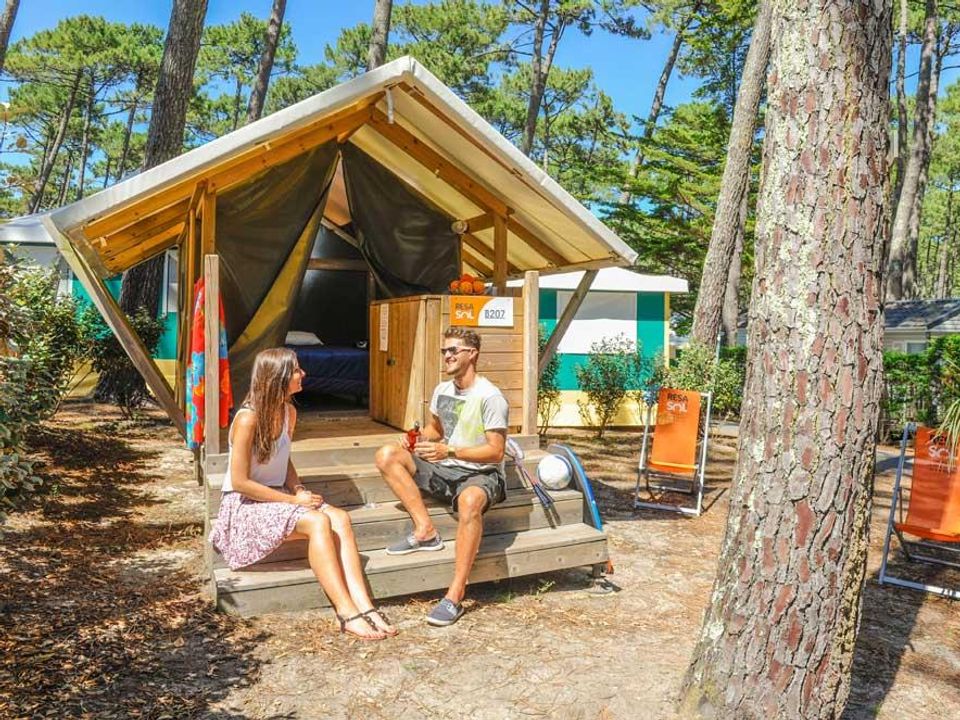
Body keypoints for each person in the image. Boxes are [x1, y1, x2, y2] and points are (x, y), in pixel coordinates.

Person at [210, 347, 396, 640]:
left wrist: (298, 487)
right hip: (244, 504)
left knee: (340, 518)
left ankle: (365, 605)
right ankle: (346, 612)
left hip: (278, 496)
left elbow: (284, 459)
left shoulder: (289, 412)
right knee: (318, 522)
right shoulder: (248, 418)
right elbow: (240, 482)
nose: (303, 374)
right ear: (278, 377)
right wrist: (293, 500)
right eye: (296, 369)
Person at [375, 327, 509, 626]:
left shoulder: (490, 397)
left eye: (453, 350)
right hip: (446, 466)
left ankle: (455, 595)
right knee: (386, 455)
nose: (447, 355)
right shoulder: (442, 390)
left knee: (470, 501)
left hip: (481, 473)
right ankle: (425, 531)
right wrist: (415, 439)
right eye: (444, 350)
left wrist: (449, 450)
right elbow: (436, 430)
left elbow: (496, 452)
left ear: (472, 354)